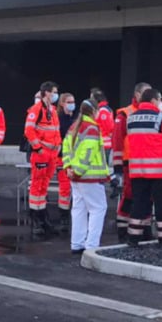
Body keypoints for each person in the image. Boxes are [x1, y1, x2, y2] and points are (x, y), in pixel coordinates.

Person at [125, 87, 162, 247]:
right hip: (160, 172)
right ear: (154, 100)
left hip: (138, 171)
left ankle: (133, 238)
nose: (161, 103)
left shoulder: (131, 119)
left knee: (139, 205)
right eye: (160, 99)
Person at [62, 100, 110, 254]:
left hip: (76, 177)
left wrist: (69, 168)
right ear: (94, 111)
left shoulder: (74, 127)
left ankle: (77, 243)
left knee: (79, 209)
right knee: (98, 209)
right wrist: (78, 170)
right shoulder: (92, 128)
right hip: (89, 177)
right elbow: (88, 153)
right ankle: (92, 245)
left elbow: (65, 149)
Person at [112, 82, 152, 242]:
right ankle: (123, 229)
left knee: (148, 196)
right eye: (145, 93)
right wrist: (118, 168)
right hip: (130, 162)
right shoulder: (125, 114)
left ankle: (145, 228)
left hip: (148, 161)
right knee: (129, 195)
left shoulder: (151, 111)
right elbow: (117, 141)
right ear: (136, 95)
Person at [24, 81, 62, 239]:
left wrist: (58, 146)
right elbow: (28, 130)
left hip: (52, 153)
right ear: (46, 93)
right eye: (54, 92)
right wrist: (37, 147)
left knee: (44, 185)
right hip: (41, 153)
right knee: (37, 185)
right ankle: (35, 219)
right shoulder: (36, 109)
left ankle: (42, 217)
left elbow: (56, 130)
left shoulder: (52, 110)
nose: (55, 95)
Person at [55, 91, 77, 229]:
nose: (72, 105)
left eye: (73, 102)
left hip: (74, 157)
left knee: (75, 188)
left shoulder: (74, 119)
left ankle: (71, 213)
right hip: (62, 157)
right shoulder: (58, 119)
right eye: (69, 102)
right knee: (65, 187)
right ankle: (63, 215)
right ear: (62, 103)